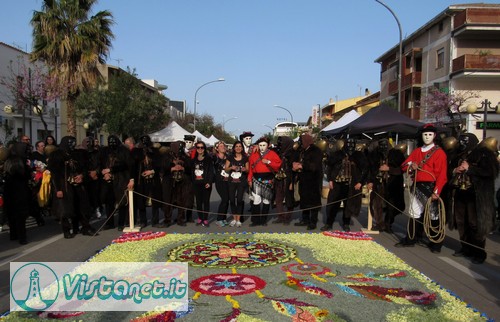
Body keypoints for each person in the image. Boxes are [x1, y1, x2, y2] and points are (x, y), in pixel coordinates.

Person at [396, 124, 447, 253]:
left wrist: (437, 191)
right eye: (425, 134)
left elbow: (442, 175)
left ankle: (435, 243)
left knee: (433, 216)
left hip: (431, 187)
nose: (427, 137)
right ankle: (411, 238)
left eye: (430, 134)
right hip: (417, 186)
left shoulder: (439, 153)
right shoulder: (417, 151)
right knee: (414, 213)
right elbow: (403, 166)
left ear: (434, 136)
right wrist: (411, 166)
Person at [449, 134, 499, 264]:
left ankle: (478, 253)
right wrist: (455, 170)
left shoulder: (483, 154)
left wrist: (470, 169)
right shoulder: (458, 154)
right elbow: (449, 169)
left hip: (475, 195)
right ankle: (465, 248)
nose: (462, 144)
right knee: (461, 221)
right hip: (460, 192)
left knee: (474, 223)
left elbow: (490, 172)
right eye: (461, 141)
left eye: (465, 141)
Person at [48, 136, 97, 238]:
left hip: (78, 185)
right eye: (70, 143)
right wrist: (58, 189)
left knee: (82, 207)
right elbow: (55, 174)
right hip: (64, 185)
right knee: (65, 209)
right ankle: (66, 230)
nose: (73, 145)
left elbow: (84, 168)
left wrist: (81, 176)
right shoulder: (56, 156)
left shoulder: (77, 154)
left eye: (74, 143)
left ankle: (85, 227)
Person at [321, 137, 368, 232]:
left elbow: (365, 169)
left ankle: (346, 223)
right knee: (333, 204)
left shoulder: (359, 155)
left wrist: (360, 182)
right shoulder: (337, 154)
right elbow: (329, 166)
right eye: (349, 144)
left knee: (348, 205)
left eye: (352, 144)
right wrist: (330, 179)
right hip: (337, 183)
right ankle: (329, 223)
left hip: (351, 184)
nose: (350, 146)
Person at [366, 138, 406, 232]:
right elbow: (371, 170)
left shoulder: (397, 155)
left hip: (393, 184)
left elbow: (402, 169)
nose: (383, 147)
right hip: (379, 183)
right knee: (376, 203)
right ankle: (380, 224)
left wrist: (389, 169)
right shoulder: (375, 156)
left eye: (385, 145)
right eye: (381, 145)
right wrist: (370, 181)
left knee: (393, 206)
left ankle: (388, 223)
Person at [99, 135, 135, 231]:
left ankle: (121, 223)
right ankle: (109, 223)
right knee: (109, 202)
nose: (112, 144)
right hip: (107, 180)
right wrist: (104, 173)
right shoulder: (104, 152)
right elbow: (100, 164)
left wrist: (111, 169)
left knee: (121, 202)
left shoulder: (124, 151)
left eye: (114, 142)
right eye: (110, 142)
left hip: (121, 179)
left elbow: (127, 165)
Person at [248, 136, 282, 226]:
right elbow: (251, 169)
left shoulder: (272, 154)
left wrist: (269, 162)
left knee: (266, 200)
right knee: (256, 200)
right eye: (260, 145)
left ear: (267, 145)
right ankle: (255, 221)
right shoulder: (254, 155)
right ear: (258, 145)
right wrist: (249, 179)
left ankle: (263, 221)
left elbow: (278, 165)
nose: (262, 147)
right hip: (256, 179)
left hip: (268, 179)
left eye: (264, 145)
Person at [292, 134, 323, 230]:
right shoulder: (303, 150)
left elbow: (315, 166)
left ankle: (313, 222)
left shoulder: (316, 151)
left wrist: (301, 165)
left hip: (313, 180)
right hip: (304, 179)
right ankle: (305, 220)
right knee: (304, 200)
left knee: (313, 202)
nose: (301, 144)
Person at [3, 142, 32, 244]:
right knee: (20, 216)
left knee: (11, 213)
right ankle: (22, 238)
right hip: (20, 191)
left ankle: (13, 234)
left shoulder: (8, 159)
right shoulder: (22, 161)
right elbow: (25, 175)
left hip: (8, 190)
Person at [160, 141, 192, 227]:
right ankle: (167, 220)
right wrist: (172, 168)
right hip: (169, 181)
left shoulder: (185, 156)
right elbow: (162, 168)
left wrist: (183, 167)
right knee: (168, 201)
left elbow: (190, 167)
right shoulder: (166, 156)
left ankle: (180, 219)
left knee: (181, 200)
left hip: (182, 182)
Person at [133, 135, 162, 228]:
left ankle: (155, 221)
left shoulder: (155, 151)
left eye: (146, 141)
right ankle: (143, 221)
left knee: (155, 201)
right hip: (141, 180)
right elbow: (133, 166)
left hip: (153, 179)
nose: (145, 143)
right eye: (143, 141)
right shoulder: (136, 152)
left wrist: (152, 171)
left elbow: (159, 165)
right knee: (141, 201)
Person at [273, 136, 297, 225]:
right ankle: (280, 216)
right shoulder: (278, 152)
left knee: (289, 199)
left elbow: (294, 169)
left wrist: (292, 182)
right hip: (279, 178)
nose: (280, 145)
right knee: (278, 198)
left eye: (282, 143)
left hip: (288, 178)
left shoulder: (293, 153)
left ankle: (288, 217)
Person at [225, 141, 249, 228]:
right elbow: (226, 169)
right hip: (231, 182)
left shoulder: (245, 158)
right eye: (236, 146)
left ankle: (238, 220)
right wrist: (231, 167)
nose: (238, 148)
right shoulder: (230, 157)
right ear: (234, 148)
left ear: (242, 148)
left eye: (240, 146)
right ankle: (234, 219)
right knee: (231, 200)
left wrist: (244, 169)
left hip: (241, 182)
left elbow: (248, 169)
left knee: (239, 200)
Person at [192, 141, 214, 227]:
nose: (200, 149)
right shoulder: (194, 159)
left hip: (206, 183)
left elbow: (211, 172)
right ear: (196, 149)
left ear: (204, 149)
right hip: (196, 183)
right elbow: (191, 171)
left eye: (202, 147)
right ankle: (200, 218)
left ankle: (205, 219)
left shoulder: (208, 159)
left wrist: (209, 182)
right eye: (198, 147)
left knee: (206, 201)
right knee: (198, 202)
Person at [212, 141, 230, 227]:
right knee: (225, 199)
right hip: (219, 181)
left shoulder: (228, 157)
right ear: (217, 148)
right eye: (221, 146)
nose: (223, 147)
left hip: (228, 180)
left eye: (224, 146)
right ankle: (219, 219)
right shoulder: (214, 157)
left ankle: (223, 218)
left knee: (227, 199)